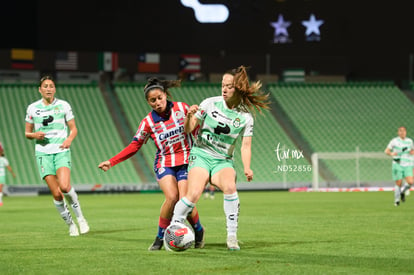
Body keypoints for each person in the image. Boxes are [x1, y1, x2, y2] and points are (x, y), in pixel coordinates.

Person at [98, 77, 205, 250]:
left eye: (160, 98)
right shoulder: (147, 123)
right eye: (152, 100)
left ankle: (198, 230)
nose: (157, 103)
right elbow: (134, 146)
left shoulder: (182, 108)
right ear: (148, 102)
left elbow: (196, 131)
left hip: (186, 160)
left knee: (185, 200)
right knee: (171, 197)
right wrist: (111, 162)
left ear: (165, 95)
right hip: (165, 162)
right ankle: (160, 237)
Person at [170, 65, 270, 250]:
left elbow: (245, 146)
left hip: (223, 160)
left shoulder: (246, 117)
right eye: (222, 85)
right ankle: (174, 229)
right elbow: (189, 129)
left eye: (229, 86)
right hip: (201, 154)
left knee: (230, 186)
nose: (224, 89)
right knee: (193, 194)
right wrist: (189, 116)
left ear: (238, 88)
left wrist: (247, 167)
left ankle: (232, 237)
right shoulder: (209, 103)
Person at [25, 75, 89, 236]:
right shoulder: (32, 108)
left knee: (65, 186)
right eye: (45, 86)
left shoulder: (63, 105)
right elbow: (27, 133)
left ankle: (81, 218)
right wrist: (35, 135)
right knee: (56, 193)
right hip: (43, 153)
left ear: (55, 89)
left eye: (51, 86)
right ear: (40, 90)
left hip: (61, 150)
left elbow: (73, 128)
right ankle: (71, 224)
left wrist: (69, 139)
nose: (48, 89)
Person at [384, 126, 414, 206]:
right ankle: (396, 201)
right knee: (399, 183)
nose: (402, 132)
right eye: (400, 131)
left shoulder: (410, 141)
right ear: (398, 132)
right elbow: (386, 151)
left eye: (404, 131)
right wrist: (391, 153)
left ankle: (402, 192)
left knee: (411, 182)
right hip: (398, 164)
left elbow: (412, 150)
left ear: (406, 132)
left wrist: (412, 152)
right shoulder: (394, 141)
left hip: (408, 164)